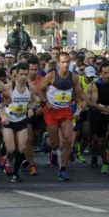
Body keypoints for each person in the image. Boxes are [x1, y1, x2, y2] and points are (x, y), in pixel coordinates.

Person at [38, 52, 86, 181]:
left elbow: (79, 95)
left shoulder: (74, 77)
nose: (65, 64)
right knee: (55, 143)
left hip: (65, 111)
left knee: (67, 141)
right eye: (63, 62)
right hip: (52, 111)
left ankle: (63, 169)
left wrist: (80, 106)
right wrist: (46, 103)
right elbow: (39, 90)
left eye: (67, 62)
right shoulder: (51, 75)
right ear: (58, 63)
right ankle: (48, 141)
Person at [1, 62, 35, 182]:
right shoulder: (9, 87)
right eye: (21, 74)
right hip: (9, 120)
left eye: (26, 74)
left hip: (21, 120)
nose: (24, 77)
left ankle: (15, 173)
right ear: (16, 74)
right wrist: (3, 115)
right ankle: (6, 159)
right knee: (11, 149)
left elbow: (34, 102)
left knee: (21, 148)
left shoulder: (31, 88)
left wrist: (31, 109)